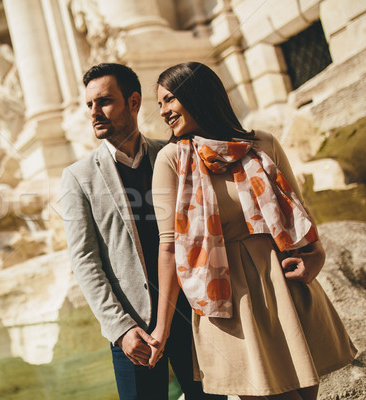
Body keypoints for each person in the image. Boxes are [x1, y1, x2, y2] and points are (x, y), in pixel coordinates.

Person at [149, 61, 357, 399]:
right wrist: (162, 327)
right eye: (160, 104)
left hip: (286, 287)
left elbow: (301, 213)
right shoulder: (171, 160)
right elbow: (169, 247)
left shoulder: (263, 143)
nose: (164, 112)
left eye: (170, 99)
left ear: (197, 95)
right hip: (230, 301)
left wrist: (316, 258)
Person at [61, 63, 223, 400]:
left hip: (191, 315)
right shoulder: (77, 177)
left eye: (104, 101)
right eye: (89, 104)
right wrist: (120, 329)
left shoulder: (173, 156)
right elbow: (85, 262)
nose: (95, 112)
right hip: (132, 330)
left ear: (133, 102)